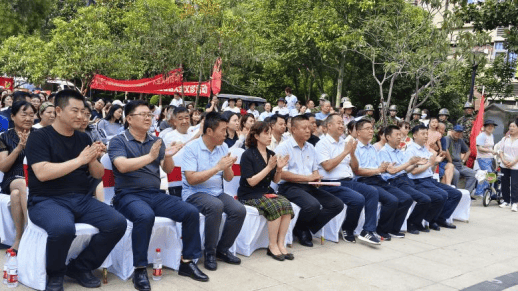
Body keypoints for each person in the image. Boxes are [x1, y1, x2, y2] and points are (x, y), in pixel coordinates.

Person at [25, 90, 127, 291]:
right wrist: (80, 160)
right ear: (58, 111)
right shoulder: (39, 137)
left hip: (80, 198)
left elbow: (98, 175)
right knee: (63, 228)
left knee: (117, 223)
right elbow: (42, 173)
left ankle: (80, 267)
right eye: (75, 111)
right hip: (45, 200)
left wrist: (92, 159)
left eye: (83, 111)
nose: (80, 116)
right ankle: (55, 273)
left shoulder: (83, 138)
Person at [108, 101, 208, 288]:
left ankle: (187, 262)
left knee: (191, 212)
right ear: (129, 119)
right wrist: (150, 157)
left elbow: (168, 169)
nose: (148, 117)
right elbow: (121, 165)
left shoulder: (155, 141)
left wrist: (168, 154)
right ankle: (139, 268)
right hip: (127, 195)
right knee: (145, 216)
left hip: (155, 194)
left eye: (150, 114)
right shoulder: (118, 140)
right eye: (143, 114)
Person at [181, 112, 246, 271]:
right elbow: (191, 179)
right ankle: (209, 253)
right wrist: (218, 167)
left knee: (239, 210)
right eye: (223, 130)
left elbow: (228, 179)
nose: (226, 134)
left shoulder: (223, 147)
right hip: (194, 193)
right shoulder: (191, 148)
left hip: (216, 192)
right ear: (209, 131)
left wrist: (228, 166)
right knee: (215, 206)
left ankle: (222, 250)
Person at [275, 115, 344, 247]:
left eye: (309, 127)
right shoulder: (284, 147)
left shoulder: (311, 148)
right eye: (304, 128)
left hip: (309, 186)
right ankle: (301, 229)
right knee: (313, 205)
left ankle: (303, 226)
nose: (308, 131)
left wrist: (316, 177)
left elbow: (315, 170)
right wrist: (308, 178)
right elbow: (282, 174)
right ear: (293, 129)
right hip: (289, 187)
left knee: (337, 204)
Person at [315, 114, 381, 244]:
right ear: (329, 126)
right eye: (338, 123)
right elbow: (327, 166)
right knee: (358, 199)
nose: (342, 125)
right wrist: (345, 152)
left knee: (372, 192)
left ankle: (367, 231)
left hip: (348, 181)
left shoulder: (344, 143)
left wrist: (351, 153)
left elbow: (355, 168)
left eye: (342, 123)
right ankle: (347, 228)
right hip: (331, 183)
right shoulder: (322, 144)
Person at [237, 122, 294, 260]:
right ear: (256, 136)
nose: (270, 137)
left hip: (265, 191)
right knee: (274, 206)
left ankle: (281, 244)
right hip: (249, 193)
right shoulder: (247, 155)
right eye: (266, 133)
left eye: (270, 133)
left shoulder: (271, 154)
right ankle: (272, 246)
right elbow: (251, 182)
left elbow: (275, 180)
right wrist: (268, 167)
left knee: (286, 204)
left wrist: (279, 169)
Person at [353, 119, 413, 240]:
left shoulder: (372, 148)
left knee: (406, 198)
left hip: (378, 179)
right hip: (364, 181)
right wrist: (379, 170)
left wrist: (386, 169)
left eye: (372, 128)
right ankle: (381, 230)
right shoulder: (354, 148)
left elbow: (380, 168)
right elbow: (357, 171)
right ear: (358, 132)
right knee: (392, 200)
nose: (371, 131)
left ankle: (393, 229)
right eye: (368, 128)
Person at [379, 125, 441, 234]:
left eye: (400, 135)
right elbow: (392, 171)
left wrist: (415, 164)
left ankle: (414, 223)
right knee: (417, 199)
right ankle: (404, 226)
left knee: (428, 198)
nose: (400, 137)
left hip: (405, 179)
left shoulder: (399, 151)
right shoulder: (383, 152)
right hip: (393, 182)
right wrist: (411, 163)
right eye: (397, 135)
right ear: (388, 137)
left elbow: (406, 170)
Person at [407, 125, 462, 230]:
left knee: (456, 194)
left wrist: (435, 163)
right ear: (414, 135)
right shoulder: (411, 150)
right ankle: (429, 220)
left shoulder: (425, 150)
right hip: (418, 181)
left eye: (426, 134)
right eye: (422, 134)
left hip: (429, 179)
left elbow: (430, 170)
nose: (425, 136)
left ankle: (440, 218)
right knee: (441, 195)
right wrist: (430, 163)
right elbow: (413, 171)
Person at [0, 101, 35, 251]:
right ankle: (33, 233)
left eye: (31, 115)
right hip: (14, 176)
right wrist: (20, 147)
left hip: (36, 175)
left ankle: (19, 238)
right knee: (21, 185)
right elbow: (3, 166)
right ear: (13, 116)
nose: (28, 118)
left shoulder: (40, 135)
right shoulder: (4, 137)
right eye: (24, 114)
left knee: (16, 195)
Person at [441, 125, 478, 196]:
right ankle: (454, 193)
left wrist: (463, 160)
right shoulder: (447, 138)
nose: (458, 134)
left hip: (459, 164)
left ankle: (466, 194)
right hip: (449, 163)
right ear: (452, 131)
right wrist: (450, 160)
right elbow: (446, 150)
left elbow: (468, 151)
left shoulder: (460, 140)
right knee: (456, 173)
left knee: (473, 174)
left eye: (460, 132)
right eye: (456, 132)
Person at [498, 120, 518, 210]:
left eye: (514, 126)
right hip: (504, 164)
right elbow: (500, 151)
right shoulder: (505, 138)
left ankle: (514, 202)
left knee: (515, 184)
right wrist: (503, 160)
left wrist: (513, 162)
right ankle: (506, 201)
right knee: (504, 183)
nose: (511, 128)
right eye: (510, 126)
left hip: (516, 165)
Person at [475, 120, 498, 197]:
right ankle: (480, 193)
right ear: (485, 127)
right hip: (482, 158)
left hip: (490, 158)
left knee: (487, 175)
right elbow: (479, 148)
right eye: (489, 126)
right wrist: (491, 151)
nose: (490, 127)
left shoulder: (492, 135)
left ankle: (485, 192)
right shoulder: (482, 136)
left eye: (492, 126)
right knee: (487, 175)